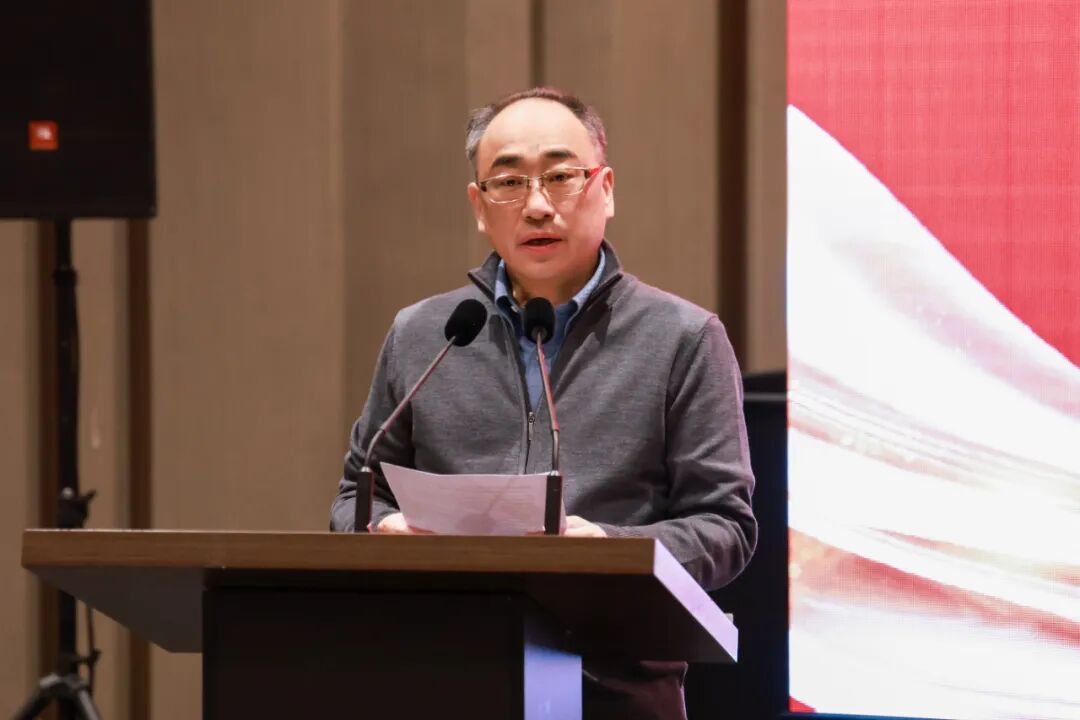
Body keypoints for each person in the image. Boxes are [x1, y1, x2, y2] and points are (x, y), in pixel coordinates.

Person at [331, 86, 757, 720]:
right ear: (479, 206)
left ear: (605, 189)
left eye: (561, 177)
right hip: (440, 678)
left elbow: (725, 526)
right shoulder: (425, 334)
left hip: (614, 691)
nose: (536, 206)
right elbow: (353, 498)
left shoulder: (683, 338)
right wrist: (384, 527)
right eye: (508, 183)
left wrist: (610, 548)